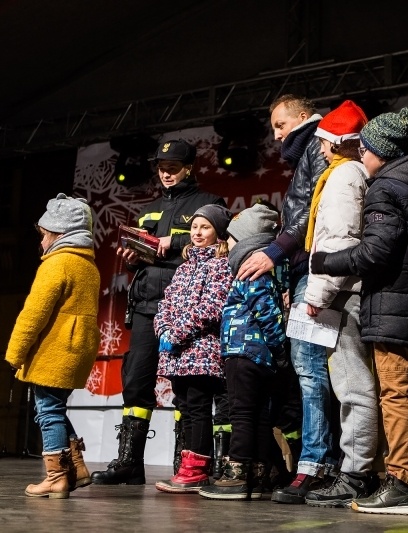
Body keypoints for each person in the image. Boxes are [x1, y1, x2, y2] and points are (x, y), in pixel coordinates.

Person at [311, 106, 408, 515]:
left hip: (395, 303)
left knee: (397, 394)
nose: (361, 157)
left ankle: (404, 484)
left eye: (366, 150)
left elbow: (377, 252)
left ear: (379, 151)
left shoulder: (386, 187)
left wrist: (325, 262)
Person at [91, 139, 226, 486]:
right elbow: (141, 246)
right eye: (162, 167)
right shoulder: (149, 208)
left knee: (187, 390)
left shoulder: (208, 202)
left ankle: (185, 467)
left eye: (173, 167)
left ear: (189, 167)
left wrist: (175, 242)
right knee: (135, 383)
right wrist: (133, 254)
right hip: (146, 306)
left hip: (186, 312)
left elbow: (219, 239)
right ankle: (129, 462)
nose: (166, 172)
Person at [236, 94, 334, 504]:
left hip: (312, 274)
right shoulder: (308, 153)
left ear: (302, 116)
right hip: (304, 272)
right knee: (311, 371)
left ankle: (314, 466)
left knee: (311, 371)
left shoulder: (315, 144)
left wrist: (274, 251)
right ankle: (324, 463)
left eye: (280, 124)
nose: (277, 135)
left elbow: (309, 211)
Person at [301, 100, 380, 508]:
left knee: (352, 387)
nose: (319, 149)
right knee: (355, 385)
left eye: (323, 142)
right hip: (349, 291)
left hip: (344, 294)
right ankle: (362, 468)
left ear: (337, 143)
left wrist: (317, 295)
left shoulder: (343, 177)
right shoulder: (355, 173)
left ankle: (356, 474)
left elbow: (338, 238)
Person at [5, 193, 100, 499]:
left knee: (47, 412)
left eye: (45, 234)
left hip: (54, 349)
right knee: (55, 408)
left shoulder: (56, 264)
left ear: (61, 234)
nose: (42, 241)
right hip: (77, 348)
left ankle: (55, 476)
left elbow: (33, 314)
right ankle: (77, 466)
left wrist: (15, 353)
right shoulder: (89, 266)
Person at [199, 203, 286, 500]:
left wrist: (278, 345)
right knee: (260, 415)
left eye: (232, 238)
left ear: (247, 240)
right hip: (261, 356)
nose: (228, 244)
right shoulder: (267, 269)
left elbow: (266, 310)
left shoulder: (250, 269)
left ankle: (236, 475)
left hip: (243, 352)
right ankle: (258, 475)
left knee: (242, 413)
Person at [153, 204, 234, 493]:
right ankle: (188, 464)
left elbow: (213, 307)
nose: (197, 233)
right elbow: (166, 302)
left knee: (199, 407)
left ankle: (198, 469)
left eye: (205, 227)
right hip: (177, 354)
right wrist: (163, 328)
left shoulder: (222, 265)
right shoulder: (184, 268)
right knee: (185, 406)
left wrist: (177, 332)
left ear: (218, 233)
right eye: (195, 227)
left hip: (202, 351)